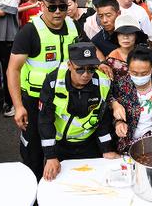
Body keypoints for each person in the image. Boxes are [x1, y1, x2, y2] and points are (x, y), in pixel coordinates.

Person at [7, 0, 79, 179]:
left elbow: (88, 49)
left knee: (60, 149)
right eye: (52, 7)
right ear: (41, 5)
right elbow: (13, 69)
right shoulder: (29, 32)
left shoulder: (72, 26)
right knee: (34, 154)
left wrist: (103, 63)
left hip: (63, 101)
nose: (57, 12)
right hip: (34, 101)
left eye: (62, 7)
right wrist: (18, 106)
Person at [38, 43, 118, 181]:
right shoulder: (53, 81)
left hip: (89, 144)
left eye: (91, 69)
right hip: (60, 145)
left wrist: (107, 149)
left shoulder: (103, 83)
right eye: (80, 70)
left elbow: (103, 120)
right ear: (69, 65)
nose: (86, 75)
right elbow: (45, 120)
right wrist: (50, 156)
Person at [112, 47, 152, 154]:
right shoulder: (120, 84)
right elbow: (110, 106)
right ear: (128, 67)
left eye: (144, 73)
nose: (139, 77)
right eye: (134, 73)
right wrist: (118, 122)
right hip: (129, 144)